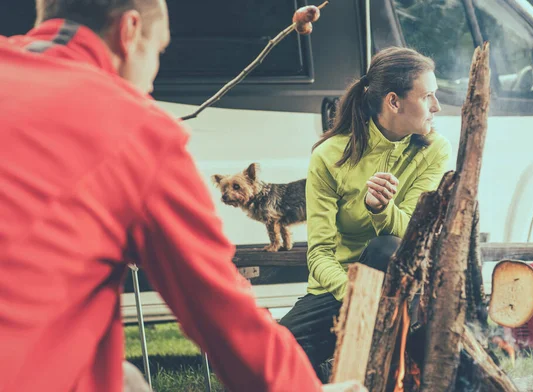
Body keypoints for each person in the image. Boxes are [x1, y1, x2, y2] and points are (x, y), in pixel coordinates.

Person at [0, 1, 367, 391]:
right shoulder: (135, 128)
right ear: (129, 31)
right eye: (158, 52)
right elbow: (223, 315)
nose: (152, 82)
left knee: (125, 378)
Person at [279, 47, 452, 381]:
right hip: (340, 288)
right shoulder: (330, 156)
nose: (437, 107)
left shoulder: (433, 149)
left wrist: (382, 211)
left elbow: (414, 233)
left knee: (385, 247)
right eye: (428, 96)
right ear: (393, 102)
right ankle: (335, 370)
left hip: (404, 286)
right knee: (271, 356)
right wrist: (356, 299)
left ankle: (381, 367)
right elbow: (319, 255)